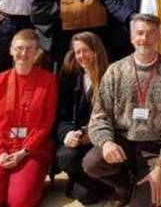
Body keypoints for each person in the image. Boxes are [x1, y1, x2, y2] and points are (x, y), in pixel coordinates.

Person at [83, 14, 161, 207]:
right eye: (139, 33)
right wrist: (105, 143)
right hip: (122, 144)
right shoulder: (115, 71)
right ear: (131, 37)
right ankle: (125, 186)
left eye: (150, 33)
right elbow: (100, 114)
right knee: (92, 163)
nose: (144, 39)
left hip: (153, 150)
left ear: (158, 37)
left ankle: (146, 184)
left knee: (145, 203)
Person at [0, 29, 58, 207]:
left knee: (20, 202)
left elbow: (46, 124)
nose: (23, 53)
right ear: (10, 50)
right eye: (19, 48)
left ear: (37, 52)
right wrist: (0, 153)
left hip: (30, 150)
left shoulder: (48, 81)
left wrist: (23, 152)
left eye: (29, 49)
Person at [55, 32, 111, 205]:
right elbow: (61, 115)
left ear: (97, 51)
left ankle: (104, 182)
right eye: (77, 52)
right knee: (65, 156)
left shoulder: (110, 76)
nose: (81, 56)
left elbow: (114, 115)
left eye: (86, 51)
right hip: (77, 140)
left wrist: (91, 134)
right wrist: (67, 134)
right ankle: (82, 179)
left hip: (100, 140)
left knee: (86, 195)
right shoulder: (69, 79)